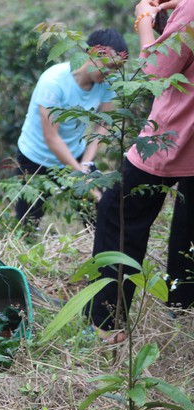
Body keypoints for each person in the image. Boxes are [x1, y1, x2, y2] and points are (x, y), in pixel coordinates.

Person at [87, 0, 194, 344]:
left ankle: (106, 324)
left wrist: (144, 20)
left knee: (118, 215)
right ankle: (182, 308)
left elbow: (157, 69)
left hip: (173, 137)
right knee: (188, 226)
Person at [14, 29, 128, 230]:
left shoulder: (106, 82)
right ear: (92, 55)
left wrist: (87, 162)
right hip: (35, 159)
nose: (111, 74)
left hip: (76, 154)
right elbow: (51, 137)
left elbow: (104, 122)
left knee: (98, 214)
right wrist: (82, 177)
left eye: (116, 69)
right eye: (109, 67)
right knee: (28, 224)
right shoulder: (54, 82)